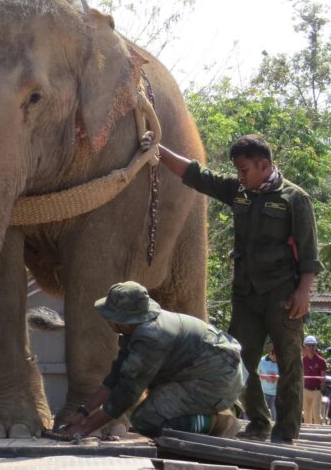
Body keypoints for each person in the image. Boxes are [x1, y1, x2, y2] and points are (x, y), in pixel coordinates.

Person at [158, 134, 322, 444]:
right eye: (237, 170)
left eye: (244, 169)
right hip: (246, 294)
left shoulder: (294, 199)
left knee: (289, 362)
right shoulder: (239, 191)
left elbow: (309, 252)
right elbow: (197, 175)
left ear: (264, 165)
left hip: (283, 295)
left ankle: (285, 433)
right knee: (238, 360)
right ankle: (259, 422)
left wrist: (303, 292)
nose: (240, 175)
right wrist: (158, 149)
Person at [58, 281, 245, 440]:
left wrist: (85, 428)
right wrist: (82, 413)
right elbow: (115, 377)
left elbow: (127, 392)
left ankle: (220, 421)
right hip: (203, 374)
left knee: (146, 420)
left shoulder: (151, 336)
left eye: (110, 316)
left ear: (124, 319)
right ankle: (211, 411)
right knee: (147, 411)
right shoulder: (137, 330)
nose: (107, 321)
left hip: (218, 381)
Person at [302, 335, 327, 425]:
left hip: (316, 390)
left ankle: (318, 431)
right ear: (305, 346)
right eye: (308, 345)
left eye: (313, 345)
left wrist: (321, 390)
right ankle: (307, 431)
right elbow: (301, 375)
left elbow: (323, 377)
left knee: (316, 413)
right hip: (305, 390)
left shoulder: (321, 361)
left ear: (316, 346)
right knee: (306, 413)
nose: (311, 347)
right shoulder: (302, 360)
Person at [258, 349, 279, 421]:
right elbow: (256, 374)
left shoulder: (281, 362)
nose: (276, 359)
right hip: (263, 391)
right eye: (275, 357)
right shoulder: (261, 361)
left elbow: (284, 375)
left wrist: (276, 378)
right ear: (271, 354)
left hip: (275, 393)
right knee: (263, 413)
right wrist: (265, 377)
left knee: (275, 415)